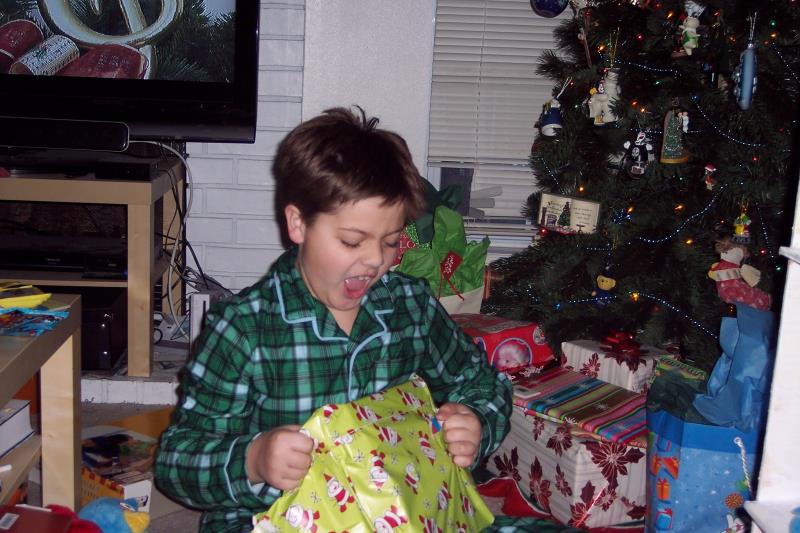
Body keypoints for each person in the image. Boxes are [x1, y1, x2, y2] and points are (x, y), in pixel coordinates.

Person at [154, 106, 513, 532]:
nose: (375, 259)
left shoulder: (411, 306)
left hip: (403, 517)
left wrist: (476, 421)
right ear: (298, 223)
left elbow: (483, 382)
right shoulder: (243, 329)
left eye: (391, 241)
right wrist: (252, 460)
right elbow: (177, 460)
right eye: (352, 241)